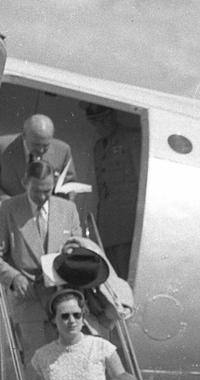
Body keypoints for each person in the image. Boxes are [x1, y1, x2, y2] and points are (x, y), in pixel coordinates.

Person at [0, 159, 84, 359]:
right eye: (37, 191)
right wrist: (13, 278)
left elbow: (80, 251)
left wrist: (73, 253)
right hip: (29, 304)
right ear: (25, 183)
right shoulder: (6, 209)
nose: (43, 197)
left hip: (63, 303)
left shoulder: (68, 209)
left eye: (48, 191)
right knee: (37, 369)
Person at [84, 103, 140, 278]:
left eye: (104, 119)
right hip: (108, 226)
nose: (101, 125)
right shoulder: (99, 147)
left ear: (113, 116)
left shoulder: (132, 139)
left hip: (128, 225)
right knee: (112, 277)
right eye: (96, 122)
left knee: (125, 275)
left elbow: (141, 180)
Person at [0, 114, 76, 210]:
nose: (41, 150)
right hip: (6, 212)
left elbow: (69, 185)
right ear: (24, 135)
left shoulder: (63, 150)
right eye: (36, 144)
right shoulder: (0, 147)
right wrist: (9, 203)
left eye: (46, 145)